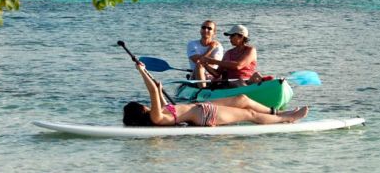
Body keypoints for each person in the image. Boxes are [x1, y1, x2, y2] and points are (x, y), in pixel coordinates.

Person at [122, 62, 309, 126]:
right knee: (249, 114)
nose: (144, 104)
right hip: (205, 115)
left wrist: (155, 81)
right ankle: (288, 119)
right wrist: (142, 71)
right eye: (141, 105)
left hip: (202, 109)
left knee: (241, 99)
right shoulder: (155, 117)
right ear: (141, 110)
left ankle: (278, 113)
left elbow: (158, 93)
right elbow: (153, 91)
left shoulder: (160, 112)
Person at [198, 24, 262, 86]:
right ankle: (247, 93)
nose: (229, 38)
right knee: (237, 81)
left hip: (248, 80)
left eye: (232, 36)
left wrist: (212, 61)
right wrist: (206, 65)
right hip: (232, 83)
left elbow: (238, 66)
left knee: (257, 75)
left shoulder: (250, 50)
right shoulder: (228, 53)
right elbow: (217, 74)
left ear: (241, 37)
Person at [187, 20, 224, 85]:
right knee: (199, 66)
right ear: (200, 30)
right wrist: (211, 49)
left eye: (209, 28)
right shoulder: (192, 44)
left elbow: (214, 63)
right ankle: (203, 89)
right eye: (203, 27)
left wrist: (203, 60)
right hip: (196, 75)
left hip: (212, 75)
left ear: (214, 33)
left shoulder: (218, 46)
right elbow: (198, 61)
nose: (206, 30)